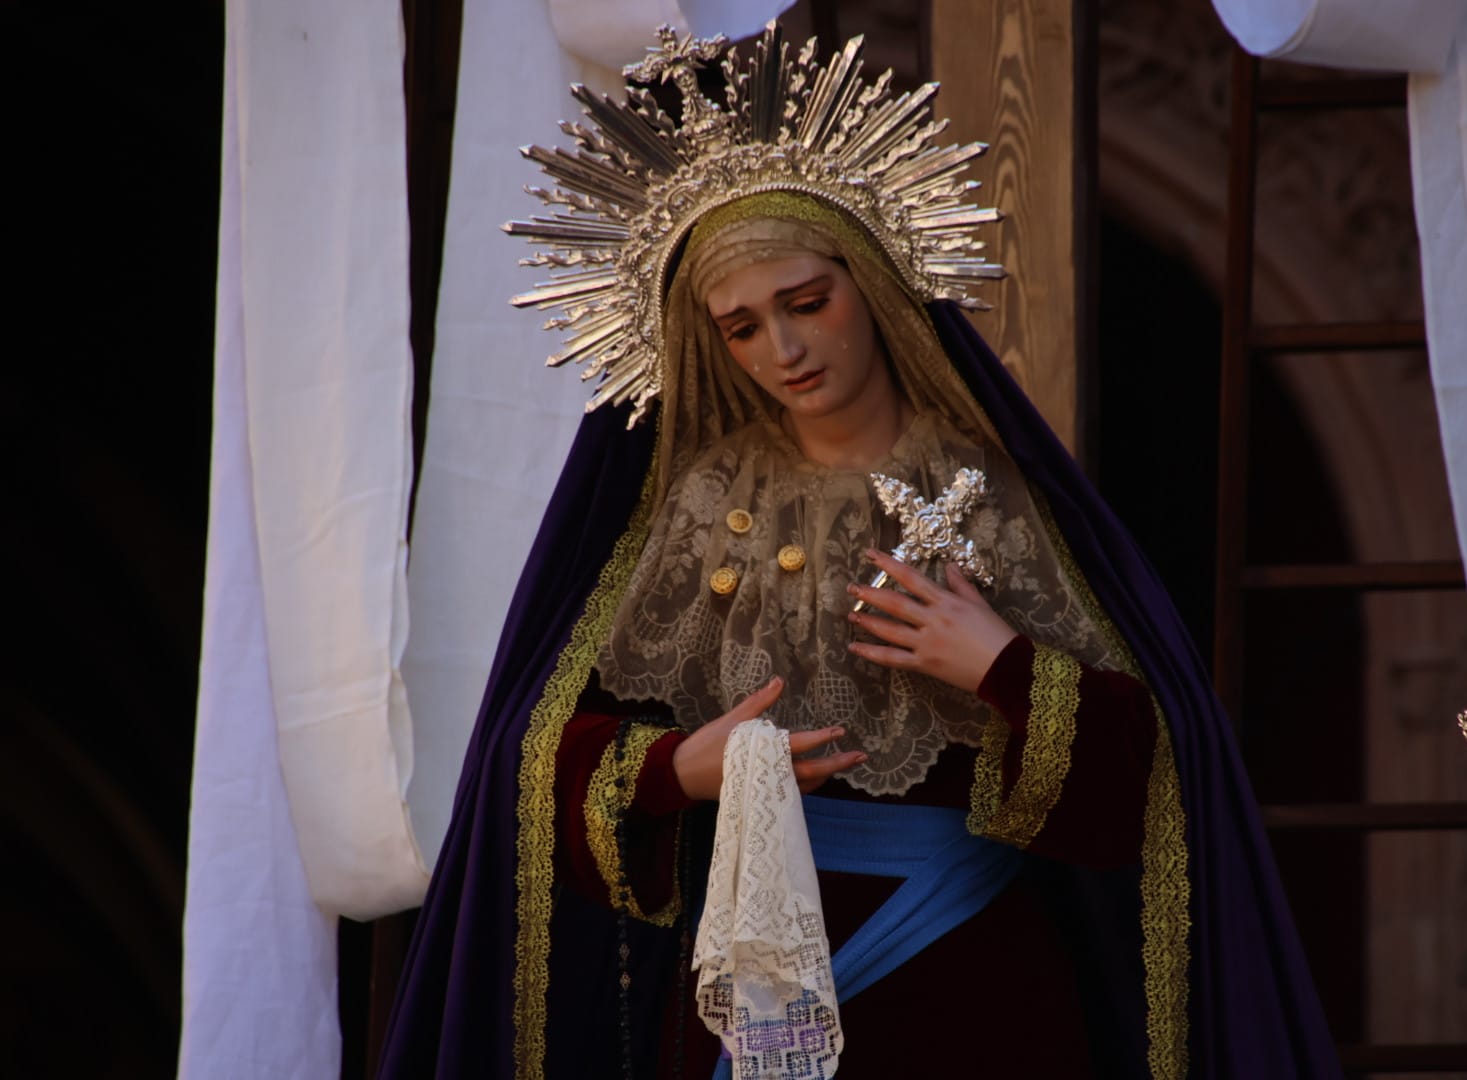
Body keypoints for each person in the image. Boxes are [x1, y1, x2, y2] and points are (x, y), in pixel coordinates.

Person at [377, 24, 1341, 1080]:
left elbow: (1146, 789)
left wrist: (1000, 669)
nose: (783, 351)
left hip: (971, 991)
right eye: (741, 328)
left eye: (806, 303)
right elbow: (539, 761)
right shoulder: (699, 507)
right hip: (742, 984)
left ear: (872, 287)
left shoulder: (990, 492)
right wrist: (672, 769)